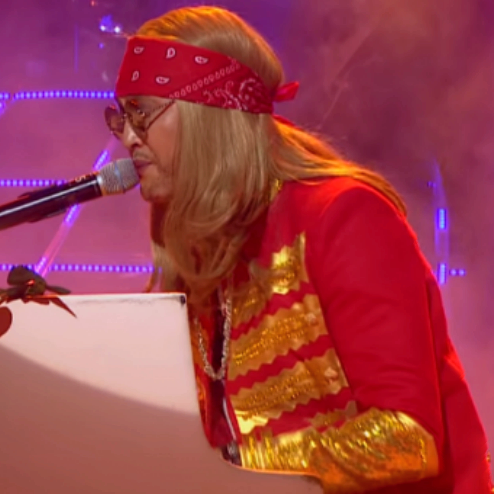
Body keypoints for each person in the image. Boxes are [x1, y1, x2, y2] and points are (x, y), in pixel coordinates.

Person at [105, 5, 493, 493]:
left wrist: (228, 465)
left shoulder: (345, 216)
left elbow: (407, 437)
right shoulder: (200, 245)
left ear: (208, 116)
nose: (127, 138)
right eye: (121, 117)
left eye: (141, 113)